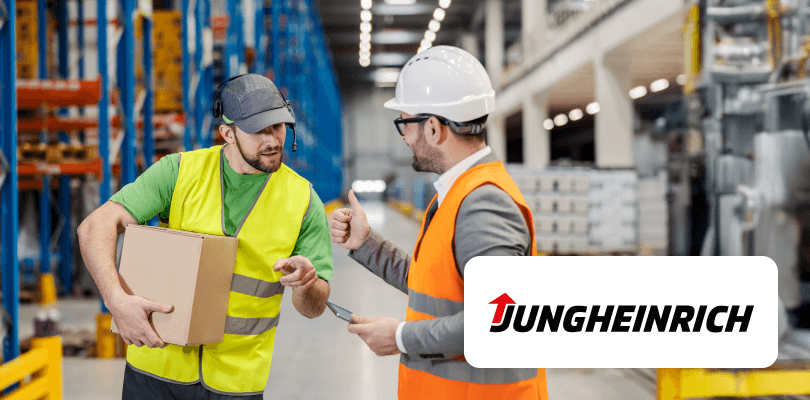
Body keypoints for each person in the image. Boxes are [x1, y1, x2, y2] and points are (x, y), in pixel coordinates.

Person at [78, 74, 333, 399]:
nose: (272, 140)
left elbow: (314, 307)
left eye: (278, 127)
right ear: (227, 133)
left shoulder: (304, 202)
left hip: (237, 382)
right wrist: (116, 301)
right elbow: (95, 227)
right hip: (156, 368)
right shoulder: (179, 172)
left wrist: (307, 285)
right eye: (258, 130)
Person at [329, 46, 548, 399]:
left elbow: (499, 319)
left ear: (432, 128)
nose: (403, 137)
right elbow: (434, 284)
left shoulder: (483, 202)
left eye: (404, 123)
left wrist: (400, 337)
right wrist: (366, 244)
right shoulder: (456, 192)